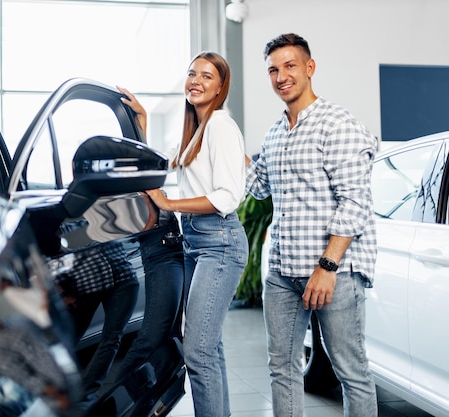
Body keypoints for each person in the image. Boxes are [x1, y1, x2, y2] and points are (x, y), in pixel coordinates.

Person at [245, 33, 378, 417]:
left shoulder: (337, 123)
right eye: (273, 69)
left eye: (289, 66)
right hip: (284, 274)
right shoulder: (275, 133)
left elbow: (355, 202)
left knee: (350, 371)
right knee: (282, 369)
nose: (281, 76)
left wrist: (328, 266)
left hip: (333, 273)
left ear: (309, 68)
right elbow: (256, 189)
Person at [119, 51, 249, 417]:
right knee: (211, 346)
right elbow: (162, 164)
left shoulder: (221, 126)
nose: (196, 81)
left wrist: (170, 204)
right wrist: (141, 123)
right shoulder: (195, 130)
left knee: (198, 351)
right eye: (192, 74)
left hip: (219, 244)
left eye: (207, 76)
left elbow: (227, 196)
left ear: (221, 87)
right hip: (196, 243)